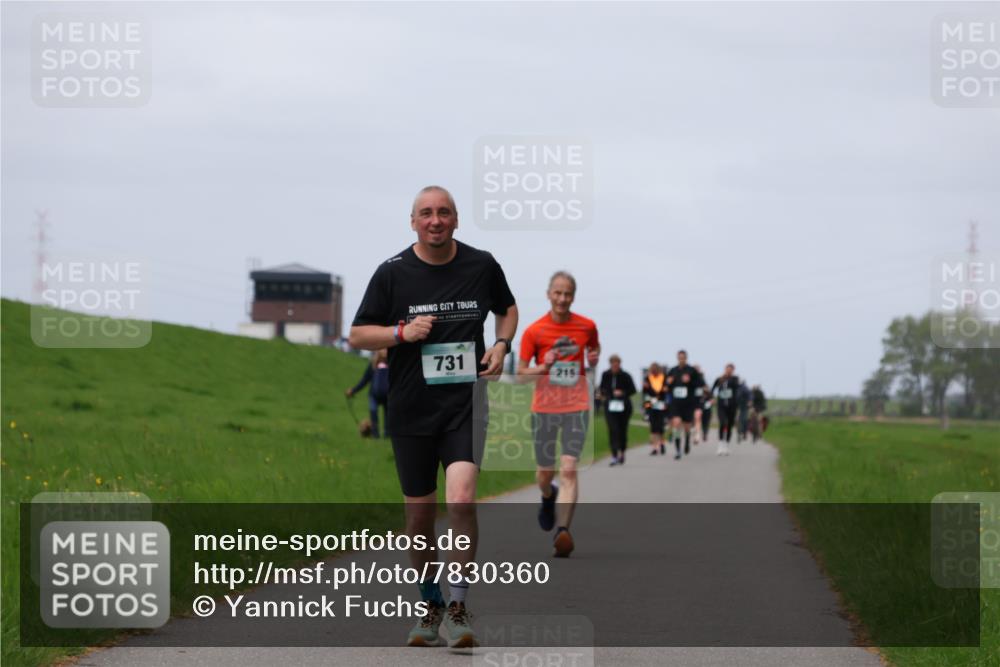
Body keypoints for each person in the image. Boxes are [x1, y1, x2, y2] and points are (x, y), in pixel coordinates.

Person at [349, 185, 518, 649]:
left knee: (461, 500)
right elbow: (358, 334)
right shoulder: (392, 273)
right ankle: (430, 604)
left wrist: (502, 345)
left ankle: (459, 605)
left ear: (456, 219)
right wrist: (401, 332)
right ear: (413, 222)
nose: (436, 220)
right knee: (419, 516)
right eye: (426, 213)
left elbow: (507, 309)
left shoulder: (481, 265)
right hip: (411, 410)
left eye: (444, 212)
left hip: (465, 405)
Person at [518, 271, 600, 558]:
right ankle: (547, 495)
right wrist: (543, 366)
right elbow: (521, 375)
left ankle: (562, 532)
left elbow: (594, 349)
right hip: (544, 407)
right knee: (545, 473)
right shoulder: (534, 331)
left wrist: (593, 359)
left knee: (568, 468)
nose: (562, 299)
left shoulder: (587, 326)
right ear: (548, 294)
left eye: (568, 294)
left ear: (573, 296)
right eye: (558, 293)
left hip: (576, 405)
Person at [598, 354, 636, 466]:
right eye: (612, 363)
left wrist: (622, 393)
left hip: (624, 406)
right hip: (610, 406)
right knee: (613, 429)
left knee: (622, 430)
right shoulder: (605, 375)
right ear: (610, 364)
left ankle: (622, 452)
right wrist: (604, 395)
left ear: (619, 364)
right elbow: (602, 388)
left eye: (617, 363)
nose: (615, 365)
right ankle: (614, 455)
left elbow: (632, 390)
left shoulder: (626, 376)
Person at [666, 350, 704, 460]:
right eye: (679, 357)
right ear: (677, 358)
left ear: (686, 358)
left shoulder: (691, 371)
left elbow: (700, 384)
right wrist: (669, 382)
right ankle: (678, 450)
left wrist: (690, 381)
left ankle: (687, 441)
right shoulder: (672, 371)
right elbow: (666, 385)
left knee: (687, 427)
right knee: (677, 424)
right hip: (676, 403)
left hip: (688, 403)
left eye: (683, 357)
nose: (681, 359)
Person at [346, 348, 390, 438]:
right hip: (374, 395)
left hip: (388, 396)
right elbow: (365, 380)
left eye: (386, 349)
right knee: (373, 413)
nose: (384, 351)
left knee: (388, 416)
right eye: (382, 348)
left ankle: (387, 435)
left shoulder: (392, 364)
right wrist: (353, 390)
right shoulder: (373, 365)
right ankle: (375, 435)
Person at [642, 362, 670, 455]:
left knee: (660, 426)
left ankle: (662, 443)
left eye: (655, 370)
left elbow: (666, 391)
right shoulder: (647, 378)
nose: (654, 372)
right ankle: (655, 447)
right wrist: (646, 408)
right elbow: (645, 393)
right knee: (653, 426)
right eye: (652, 370)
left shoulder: (663, 377)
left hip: (661, 404)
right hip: (651, 403)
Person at [712, 364, 740, 453]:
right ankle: (720, 444)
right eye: (727, 369)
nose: (728, 371)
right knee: (723, 423)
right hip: (721, 406)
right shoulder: (719, 379)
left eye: (730, 370)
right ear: (724, 369)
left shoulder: (735, 379)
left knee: (729, 425)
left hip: (732, 406)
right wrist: (712, 398)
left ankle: (726, 445)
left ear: (733, 371)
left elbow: (737, 387)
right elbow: (712, 389)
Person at [692, 364, 707, 445]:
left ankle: (697, 435)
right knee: (692, 419)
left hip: (699, 401)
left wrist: (705, 393)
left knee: (698, 417)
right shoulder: (689, 378)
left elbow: (705, 388)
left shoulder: (701, 379)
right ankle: (693, 430)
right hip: (690, 402)